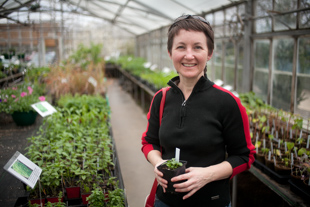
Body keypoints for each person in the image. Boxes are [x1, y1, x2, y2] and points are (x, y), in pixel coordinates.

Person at [141, 14, 255, 207]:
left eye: (197, 47)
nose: (189, 55)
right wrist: (158, 163)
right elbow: (149, 142)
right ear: (170, 52)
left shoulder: (227, 102)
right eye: (181, 47)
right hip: (165, 201)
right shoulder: (161, 98)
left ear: (209, 53)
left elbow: (244, 156)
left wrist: (207, 175)